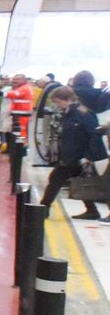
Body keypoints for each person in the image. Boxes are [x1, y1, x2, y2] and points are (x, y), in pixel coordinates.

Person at [40, 86, 106, 220]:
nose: (57, 105)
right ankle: (91, 210)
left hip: (79, 156)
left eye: (59, 102)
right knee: (80, 182)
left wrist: (88, 156)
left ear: (69, 99)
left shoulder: (83, 113)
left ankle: (42, 209)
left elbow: (94, 134)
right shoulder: (69, 112)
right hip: (72, 155)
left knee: (56, 179)